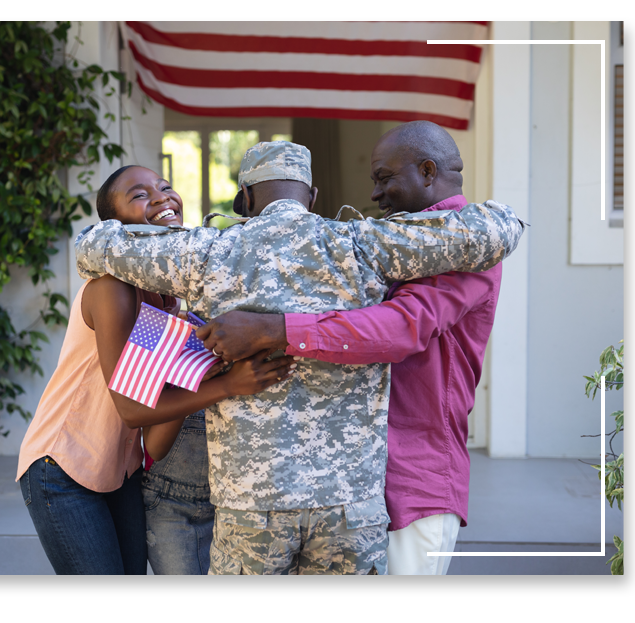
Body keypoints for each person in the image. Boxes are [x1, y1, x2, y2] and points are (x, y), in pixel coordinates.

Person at [74, 141, 525, 575]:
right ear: (313, 196)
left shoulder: (204, 252)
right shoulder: (361, 242)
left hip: (251, 503)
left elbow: (91, 246)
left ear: (245, 198)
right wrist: (501, 212)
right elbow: (496, 232)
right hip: (350, 505)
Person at [194, 121, 500, 574]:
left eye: (384, 179)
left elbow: (399, 328)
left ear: (428, 171)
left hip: (413, 478)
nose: (375, 195)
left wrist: (274, 329)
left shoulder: (466, 250)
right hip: (351, 486)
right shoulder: (399, 244)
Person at [16, 164, 295, 575]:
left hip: (119, 471)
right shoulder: (112, 288)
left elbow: (156, 442)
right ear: (115, 226)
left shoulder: (168, 299)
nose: (162, 196)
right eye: (140, 195)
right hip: (61, 467)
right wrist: (229, 386)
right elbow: (131, 408)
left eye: (164, 187)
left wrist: (206, 369)